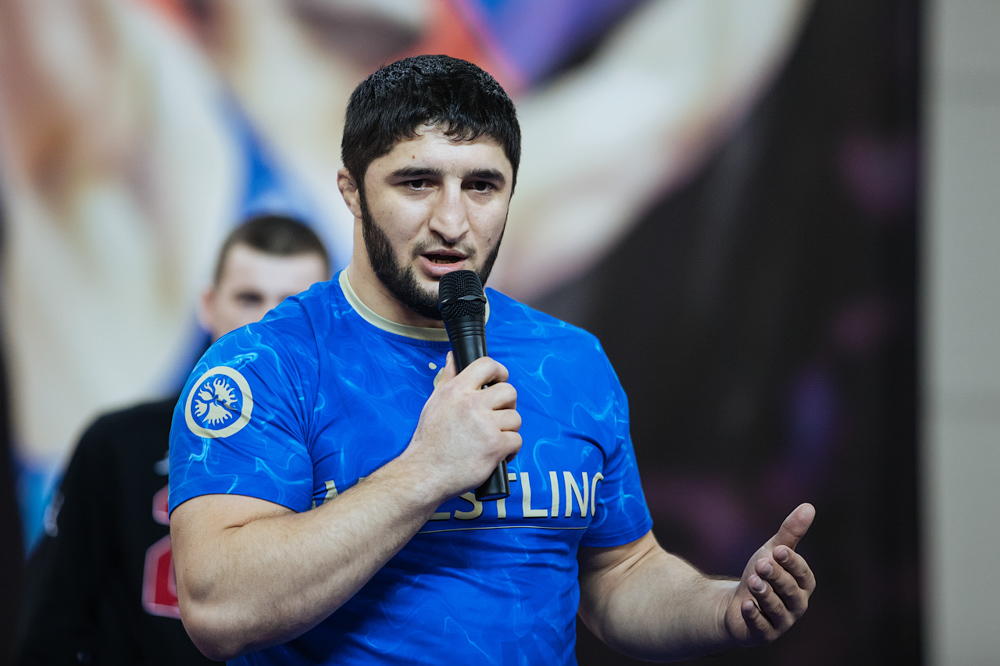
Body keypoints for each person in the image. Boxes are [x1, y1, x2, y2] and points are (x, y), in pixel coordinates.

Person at [167, 55, 816, 665]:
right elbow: (218, 606)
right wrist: (426, 472)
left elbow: (621, 573)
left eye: (481, 185)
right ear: (352, 191)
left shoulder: (570, 360)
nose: (452, 222)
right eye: (417, 182)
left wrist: (723, 608)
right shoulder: (265, 364)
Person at [14, 215, 331, 666]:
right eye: (248, 298)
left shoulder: (357, 451)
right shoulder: (116, 444)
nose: (266, 323)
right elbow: (48, 629)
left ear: (327, 318)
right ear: (208, 305)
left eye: (292, 304)